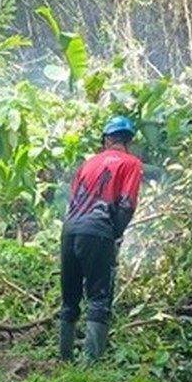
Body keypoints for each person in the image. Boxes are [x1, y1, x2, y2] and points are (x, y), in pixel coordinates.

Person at [58, 115, 143, 361]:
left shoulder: (88, 164)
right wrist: (115, 234)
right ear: (129, 141)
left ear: (106, 139)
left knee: (70, 298)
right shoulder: (131, 163)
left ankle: (64, 359)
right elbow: (127, 205)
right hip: (98, 232)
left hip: (70, 230)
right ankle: (91, 364)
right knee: (98, 297)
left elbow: (73, 201)